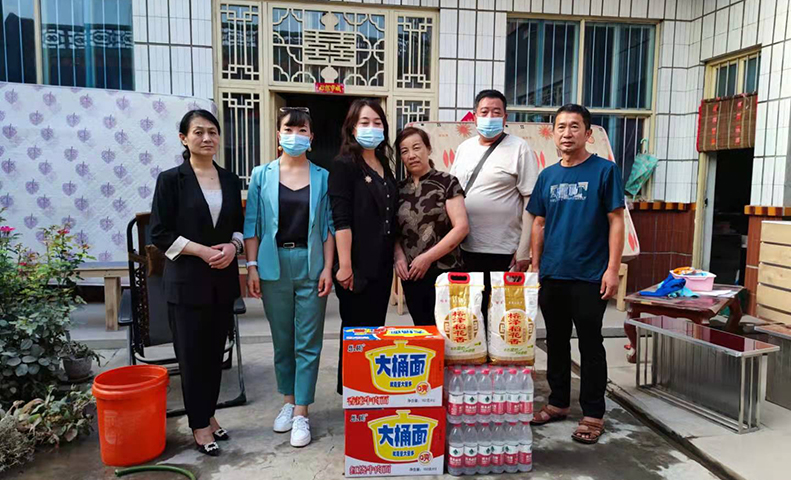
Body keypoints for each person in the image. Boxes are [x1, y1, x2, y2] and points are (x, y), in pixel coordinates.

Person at [527, 104, 625, 445]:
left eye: (574, 126)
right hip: (553, 273)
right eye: (561, 127)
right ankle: (557, 402)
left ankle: (593, 413)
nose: (567, 133)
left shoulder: (605, 171)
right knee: (554, 341)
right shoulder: (547, 176)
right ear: (553, 133)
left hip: (589, 274)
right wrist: (536, 266)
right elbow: (538, 223)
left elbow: (616, 220)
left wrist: (612, 269)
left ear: (588, 133)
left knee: (590, 343)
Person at [150, 109, 244, 457]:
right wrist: (201, 251)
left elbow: (238, 226)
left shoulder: (230, 180)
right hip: (187, 282)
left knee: (215, 354)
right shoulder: (171, 180)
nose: (207, 138)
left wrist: (234, 247)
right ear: (184, 138)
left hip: (222, 279)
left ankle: (209, 413)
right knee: (192, 356)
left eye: (213, 132)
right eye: (199, 132)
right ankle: (199, 424)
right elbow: (160, 233)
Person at [243, 107, 335, 448]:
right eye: (289, 129)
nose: (295, 135)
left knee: (308, 342)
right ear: (279, 134)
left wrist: (328, 268)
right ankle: (287, 400)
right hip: (273, 264)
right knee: (282, 340)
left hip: (311, 263)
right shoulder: (261, 175)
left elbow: (328, 227)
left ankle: (301, 412)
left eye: (302, 130)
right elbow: (252, 224)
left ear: (311, 137)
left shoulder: (323, 177)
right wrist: (251, 266)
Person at [449, 89, 538, 321]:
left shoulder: (519, 148)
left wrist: (523, 250)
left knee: (500, 319)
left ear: (505, 117)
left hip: (503, 252)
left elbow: (530, 200)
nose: (490, 117)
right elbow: (453, 192)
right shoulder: (464, 148)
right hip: (465, 248)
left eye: (496, 112)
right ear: (474, 117)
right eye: (484, 112)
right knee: (470, 317)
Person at [328, 98, 397, 393]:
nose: (372, 128)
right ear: (352, 128)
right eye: (364, 122)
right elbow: (340, 219)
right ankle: (352, 392)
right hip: (354, 264)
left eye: (377, 122)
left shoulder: (384, 164)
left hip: (381, 264)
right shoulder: (344, 165)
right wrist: (344, 266)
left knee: (374, 330)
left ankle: (369, 392)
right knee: (355, 332)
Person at [394, 127, 469, 326]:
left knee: (448, 330)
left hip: (445, 272)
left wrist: (427, 258)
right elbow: (394, 230)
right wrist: (399, 256)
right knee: (422, 329)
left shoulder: (447, 183)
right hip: (412, 274)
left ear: (428, 149)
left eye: (416, 147)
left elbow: (461, 227)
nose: (411, 155)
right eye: (404, 151)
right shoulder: (398, 189)